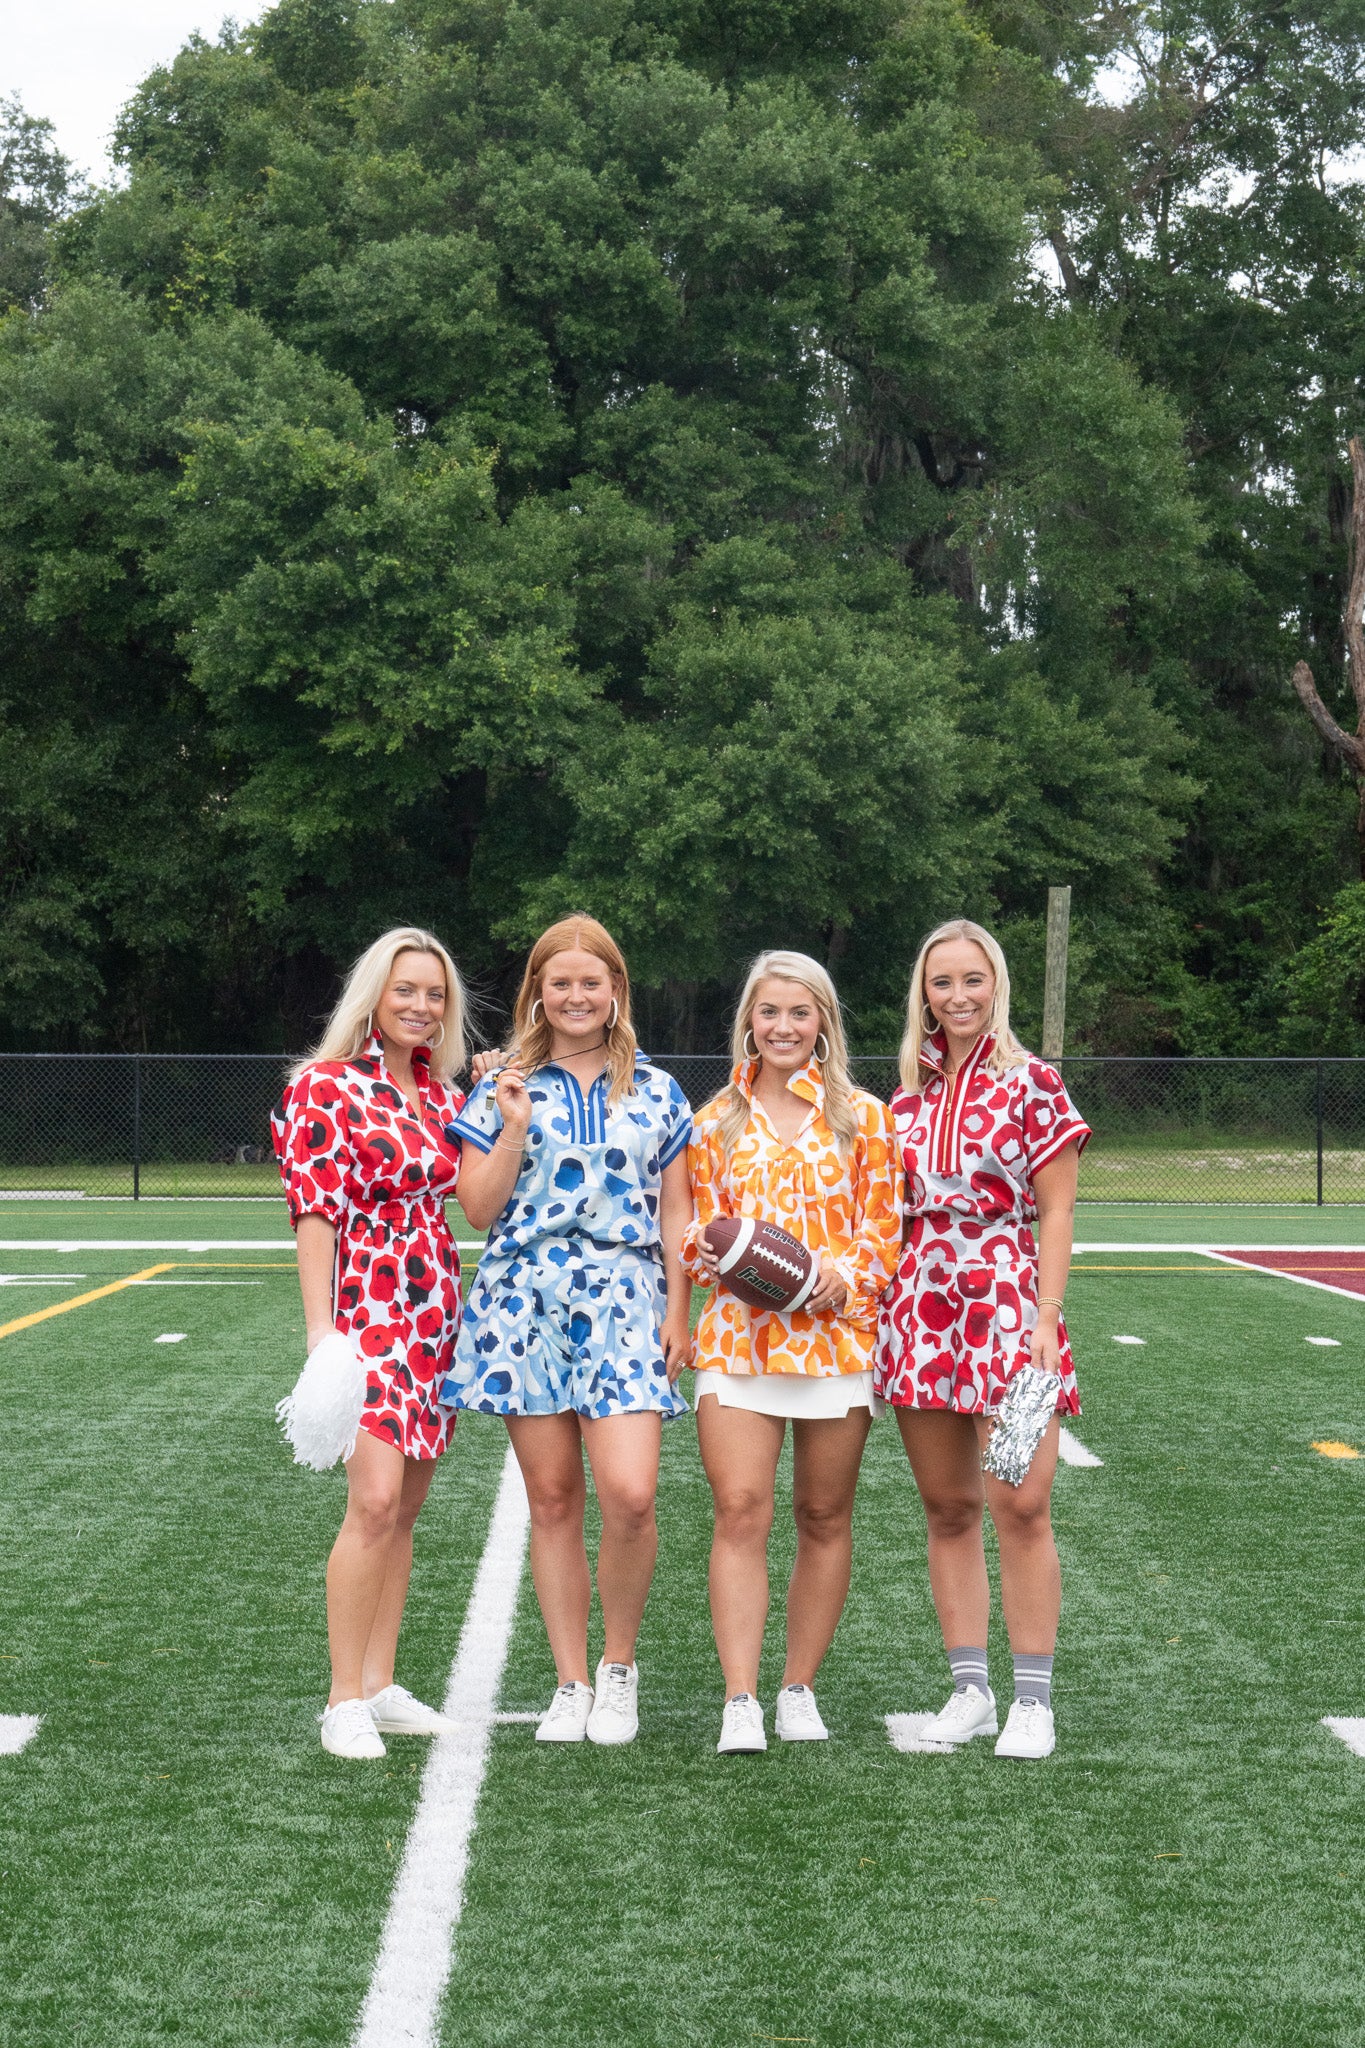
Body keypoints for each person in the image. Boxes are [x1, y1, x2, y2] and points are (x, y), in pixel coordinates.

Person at [439, 914, 692, 1747]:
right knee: (551, 1500)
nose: (576, 996)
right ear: (537, 995)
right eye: (560, 983)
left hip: (624, 1297)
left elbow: (677, 1211)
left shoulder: (657, 1090)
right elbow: (476, 1208)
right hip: (522, 1298)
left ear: (615, 992)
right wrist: (511, 1120)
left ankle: (618, 1670)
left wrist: (676, 1311)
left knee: (630, 1494)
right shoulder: (500, 1084)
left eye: (592, 982)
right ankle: (570, 1680)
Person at [876, 918, 1091, 1761]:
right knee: (947, 1508)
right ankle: (969, 1687)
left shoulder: (1034, 1082)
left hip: (1006, 1307)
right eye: (941, 983)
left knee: (1021, 1503)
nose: (957, 996)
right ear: (922, 996)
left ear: (995, 985)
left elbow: (1060, 1208)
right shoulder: (905, 1097)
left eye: (972, 980)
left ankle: (1032, 1699)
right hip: (919, 1306)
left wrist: (1045, 1311)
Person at [683, 952, 902, 1754]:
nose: (782, 1027)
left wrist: (835, 1280)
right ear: (749, 1019)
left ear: (823, 1024)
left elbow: (884, 1230)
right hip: (739, 1341)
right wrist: (720, 1257)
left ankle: (797, 1687)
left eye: (798, 1014)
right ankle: (739, 1696)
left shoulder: (864, 1118)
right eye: (768, 1012)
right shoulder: (712, 1122)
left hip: (838, 1342)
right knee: (740, 1509)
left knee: (822, 1514)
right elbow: (699, 1230)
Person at [272, 926, 471, 1761]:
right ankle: (340, 1697)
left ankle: (382, 1683)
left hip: (435, 1312)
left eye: (434, 995)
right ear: (373, 998)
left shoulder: (444, 1094)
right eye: (405, 992)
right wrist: (323, 1334)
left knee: (406, 1510)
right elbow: (314, 1212)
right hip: (366, 1310)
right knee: (375, 1502)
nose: (420, 1007)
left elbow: (471, 1193)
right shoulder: (325, 1088)